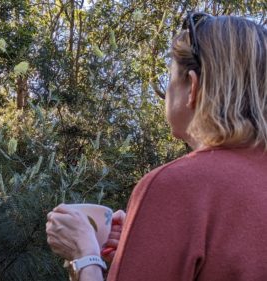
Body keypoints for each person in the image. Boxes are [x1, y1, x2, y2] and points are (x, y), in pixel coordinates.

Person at [46, 12, 267, 281]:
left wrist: (85, 256)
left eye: (170, 76)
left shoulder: (176, 186)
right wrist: (149, 248)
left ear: (193, 88)